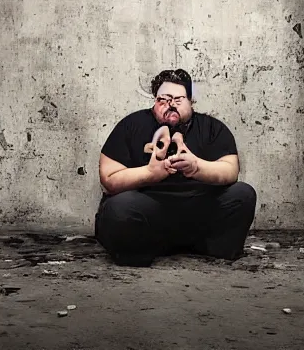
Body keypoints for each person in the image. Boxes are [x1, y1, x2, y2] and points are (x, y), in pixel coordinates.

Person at [93, 69, 257, 267]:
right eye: (164, 100)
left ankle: (212, 247)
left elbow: (231, 171)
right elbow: (108, 178)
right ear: (154, 100)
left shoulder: (212, 128)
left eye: (178, 100)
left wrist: (197, 167)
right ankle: (143, 251)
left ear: (191, 101)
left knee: (243, 194)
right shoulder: (132, 125)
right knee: (118, 209)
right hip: (149, 214)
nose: (171, 106)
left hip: (198, 214)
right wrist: (150, 173)